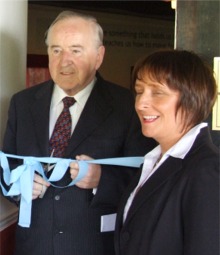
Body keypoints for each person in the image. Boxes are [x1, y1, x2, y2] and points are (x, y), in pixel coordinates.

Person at [2, 10, 156, 255]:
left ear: (98, 56)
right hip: (33, 246)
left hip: (95, 246)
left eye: (75, 50)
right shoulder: (22, 103)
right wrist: (18, 186)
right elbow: (6, 167)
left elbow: (146, 178)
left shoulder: (128, 106)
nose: (64, 61)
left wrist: (101, 180)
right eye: (56, 50)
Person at [114, 49, 219, 255]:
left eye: (157, 92)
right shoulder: (153, 160)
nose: (141, 103)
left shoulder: (207, 170)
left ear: (193, 98)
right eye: (139, 91)